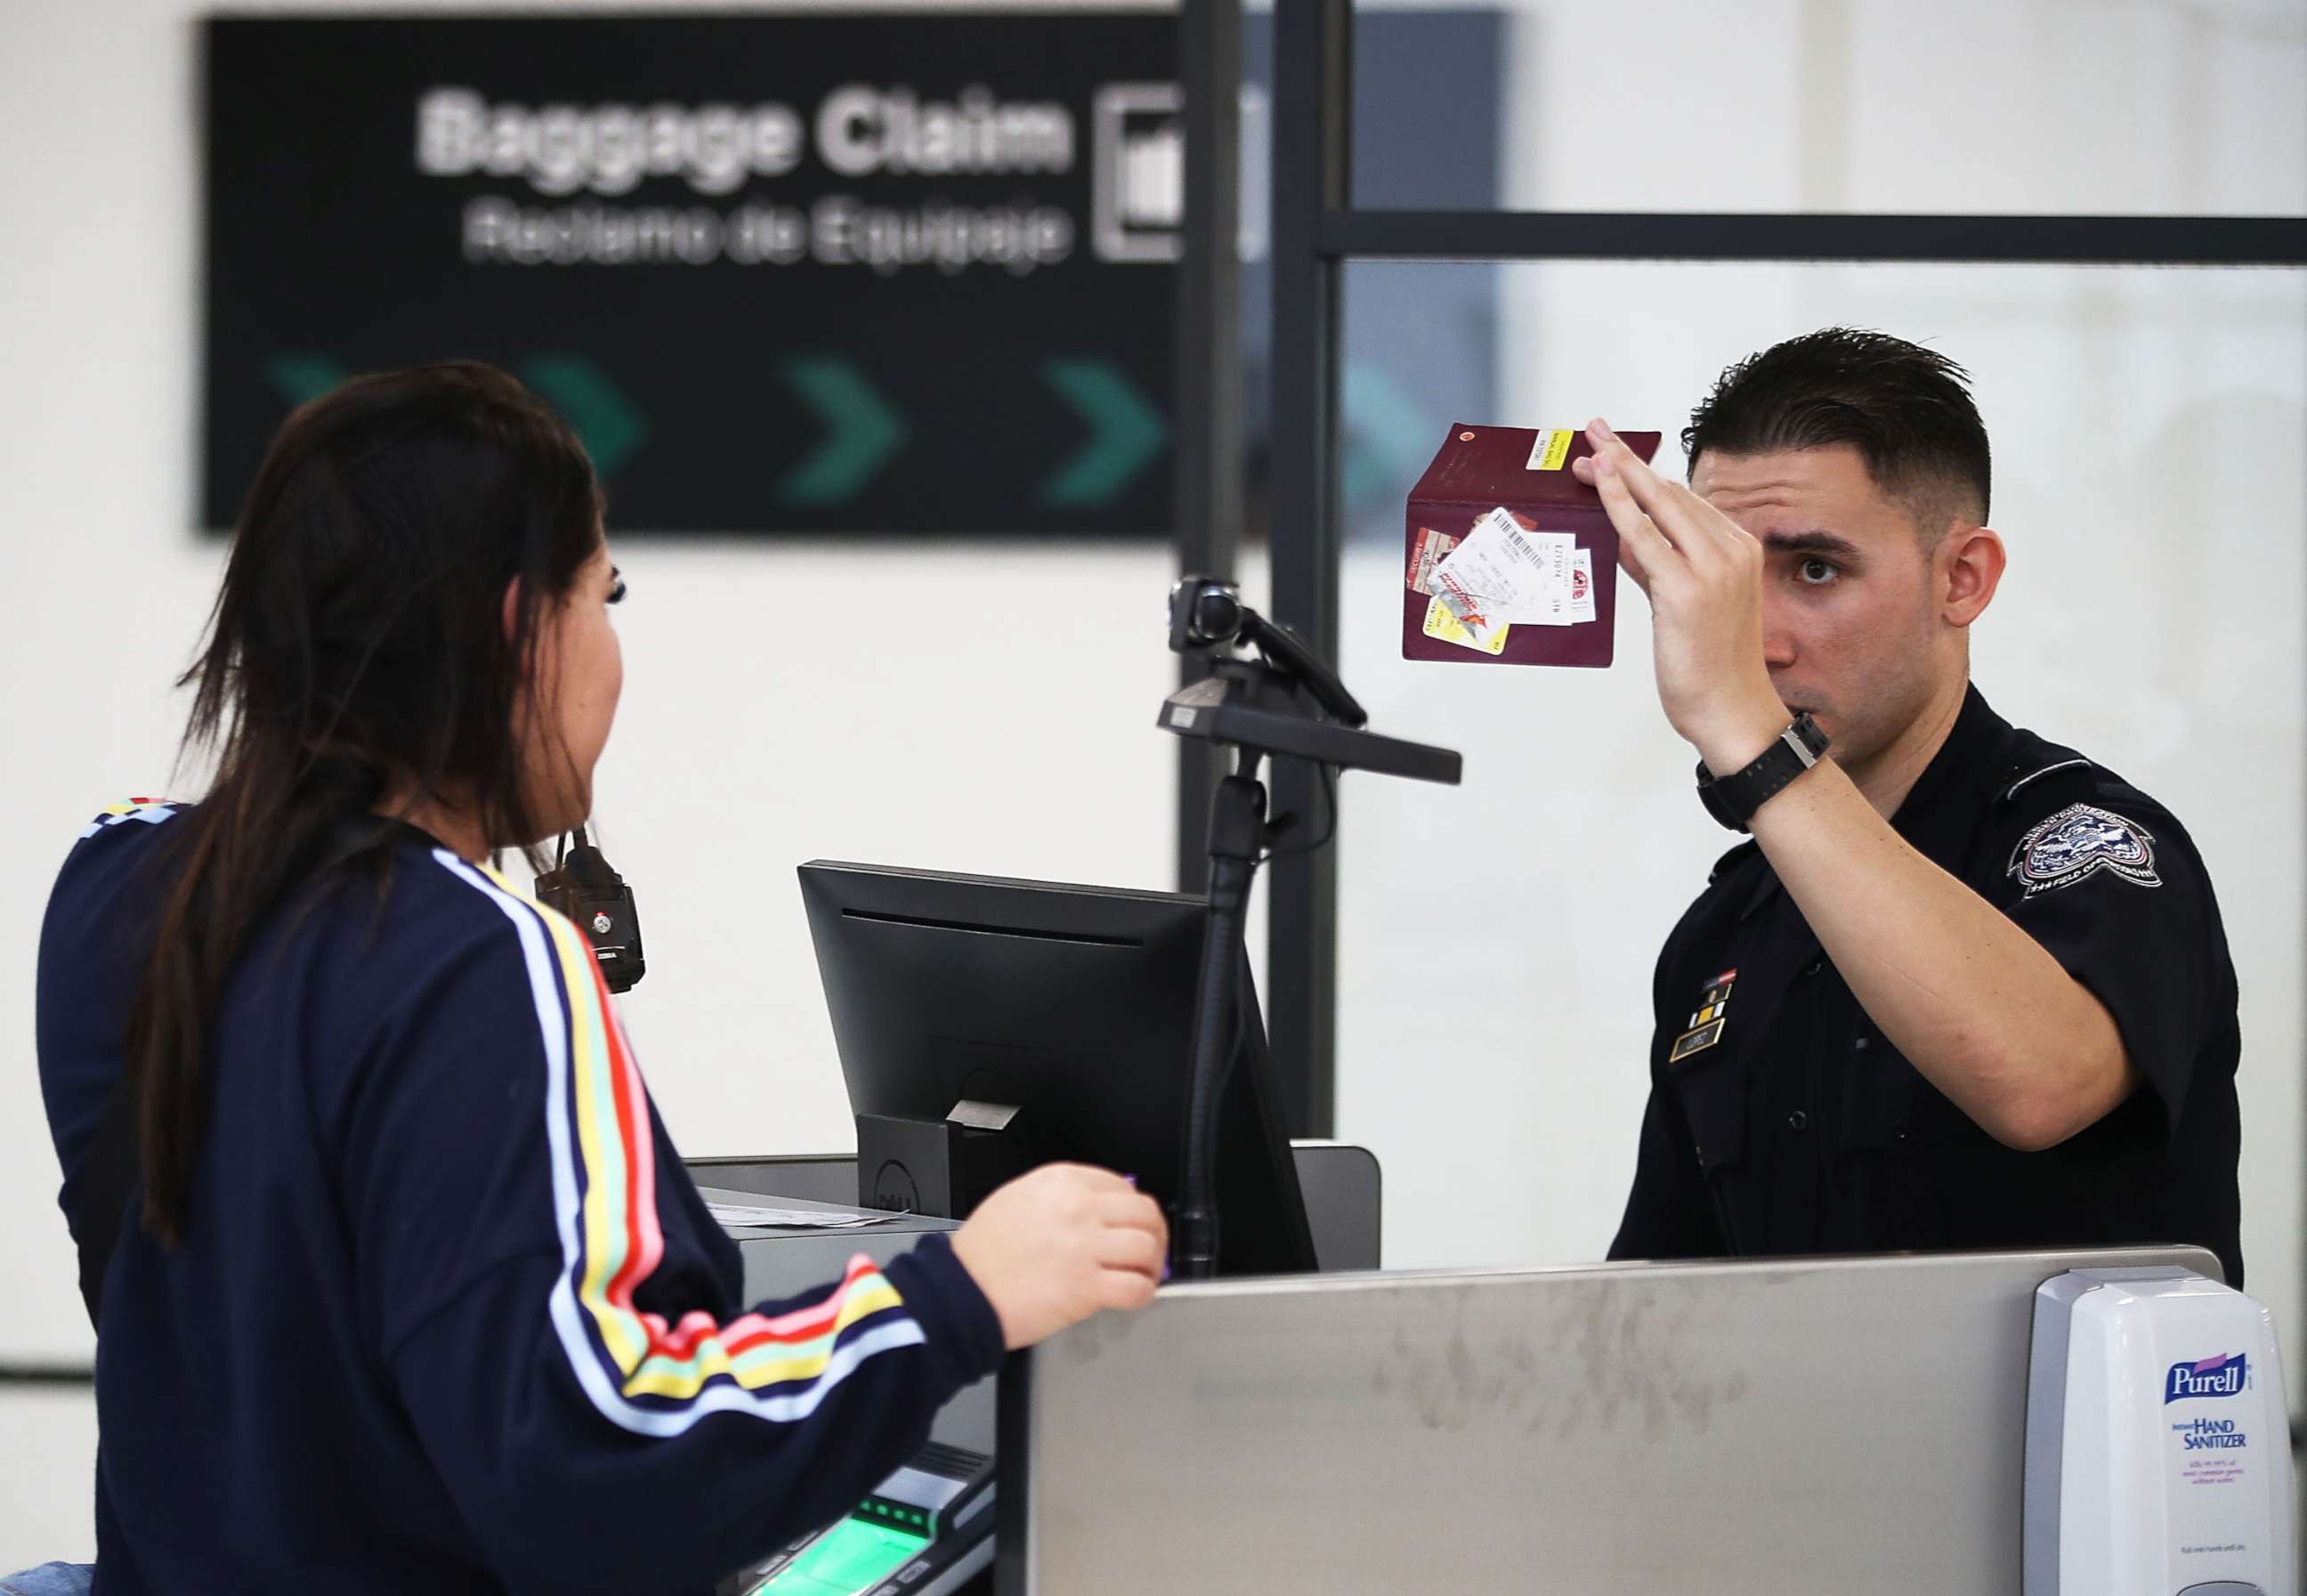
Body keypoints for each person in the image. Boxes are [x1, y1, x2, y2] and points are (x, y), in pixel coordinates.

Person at [33, 362, 1168, 1596]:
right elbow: (605, 1467)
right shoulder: (479, 962)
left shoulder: (118, 881)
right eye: (603, 593)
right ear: (520, 629)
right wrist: (961, 1293)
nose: (612, 647)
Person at [1580, 328, 2241, 1284]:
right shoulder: (1723, 930)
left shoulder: (2088, 843)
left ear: (1961, 579)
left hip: (2059, 1440)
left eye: (1814, 569)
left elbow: (2036, 1081)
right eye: (1722, 577)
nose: (1752, 638)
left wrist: (1757, 747)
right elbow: (1654, 1320)